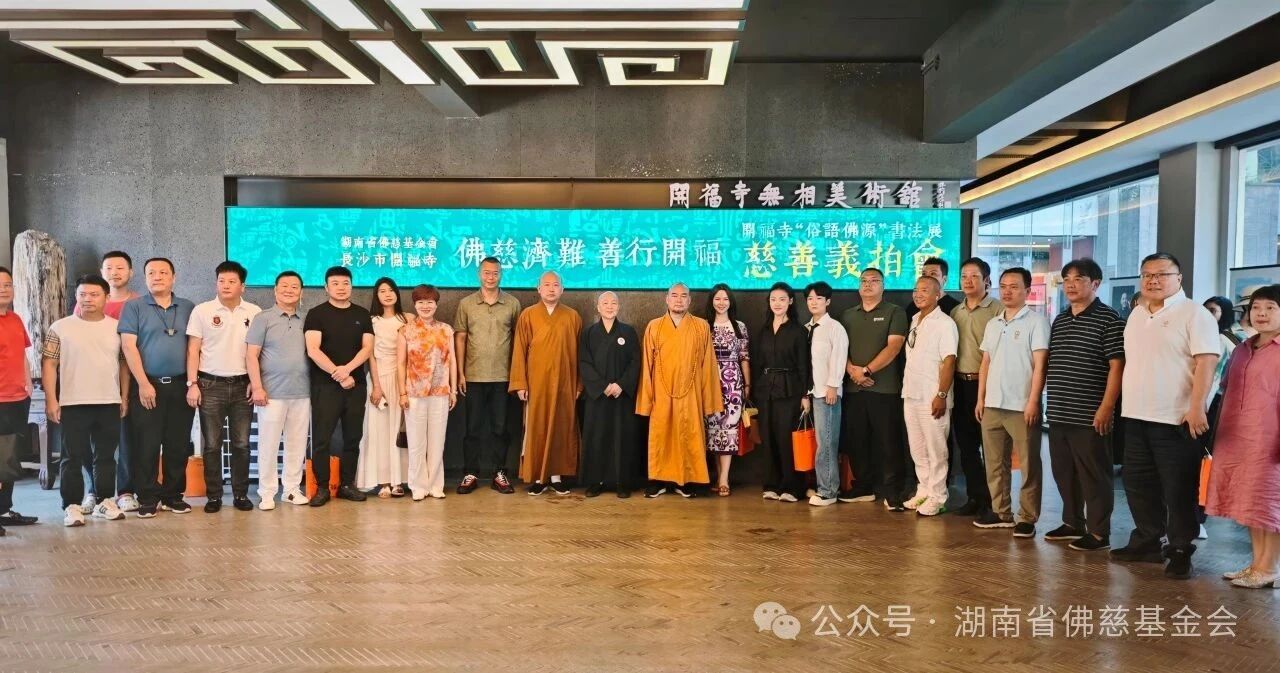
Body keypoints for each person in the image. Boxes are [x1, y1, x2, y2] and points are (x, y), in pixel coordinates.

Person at [1112, 252, 1219, 579]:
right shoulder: (1137, 314)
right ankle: (1147, 541)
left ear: (1179, 278)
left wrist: (1197, 406)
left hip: (1176, 419)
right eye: (1147, 274)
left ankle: (1180, 550)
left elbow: (1207, 362)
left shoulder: (1194, 314)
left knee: (1178, 489)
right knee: (1137, 484)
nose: (1153, 280)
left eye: (1161, 274)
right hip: (1136, 415)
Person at [1043, 259, 1125, 552]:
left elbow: (1117, 366)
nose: (1071, 285)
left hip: (1091, 413)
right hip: (1059, 410)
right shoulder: (1061, 319)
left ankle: (1099, 533)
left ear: (1096, 284)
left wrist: (1106, 408)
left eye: (1078, 279)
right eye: (1066, 279)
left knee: (1094, 475)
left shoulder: (1110, 319)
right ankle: (1072, 522)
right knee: (1064, 473)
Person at [1205, 285, 1280, 589]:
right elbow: (1226, 389)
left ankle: (1269, 568)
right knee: (1249, 503)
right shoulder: (1242, 348)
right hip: (1237, 438)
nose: (1261, 314)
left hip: (1269, 441)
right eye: (1256, 308)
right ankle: (1257, 564)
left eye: (1270, 308)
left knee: (1269, 505)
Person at [44, 275, 130, 526]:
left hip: (108, 400)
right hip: (73, 402)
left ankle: (105, 501)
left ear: (106, 297)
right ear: (76, 296)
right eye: (82, 294)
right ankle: (71, 505)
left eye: (94, 294)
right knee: (71, 457)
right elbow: (49, 364)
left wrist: (124, 397)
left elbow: (124, 365)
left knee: (106, 456)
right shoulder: (60, 327)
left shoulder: (117, 327)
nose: (87, 299)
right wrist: (51, 400)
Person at [973, 267, 1049, 537]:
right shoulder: (994, 323)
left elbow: (1040, 365)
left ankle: (1027, 517)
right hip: (992, 403)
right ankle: (1001, 512)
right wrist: (980, 398)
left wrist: (1034, 401)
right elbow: (985, 363)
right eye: (1003, 286)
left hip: (1022, 405)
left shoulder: (1036, 322)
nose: (1007, 291)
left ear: (1027, 291)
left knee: (1029, 465)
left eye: (1014, 287)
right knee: (994, 463)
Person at [118, 258, 197, 518]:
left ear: (174, 277)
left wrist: (192, 383)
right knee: (146, 444)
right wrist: (143, 383)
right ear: (144, 278)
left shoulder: (187, 307)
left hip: (180, 385)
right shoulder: (134, 307)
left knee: (178, 444)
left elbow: (195, 347)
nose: (157, 276)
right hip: (147, 385)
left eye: (163, 272)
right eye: (151, 273)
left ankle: (173, 496)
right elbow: (128, 346)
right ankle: (148, 497)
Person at [186, 261, 261, 513]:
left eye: (232, 281)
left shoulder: (254, 312)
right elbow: (193, 350)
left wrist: (255, 382)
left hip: (243, 386)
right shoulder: (202, 311)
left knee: (241, 444)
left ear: (243, 286)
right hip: (210, 384)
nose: (226, 285)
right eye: (221, 281)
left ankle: (240, 494)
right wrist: (192, 383)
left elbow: (258, 352)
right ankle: (214, 496)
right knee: (212, 445)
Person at [637, 282, 723, 498]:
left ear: (689, 301)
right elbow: (646, 366)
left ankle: (686, 481)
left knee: (688, 435)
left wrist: (709, 400)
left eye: (683, 296)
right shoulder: (654, 326)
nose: (678, 300)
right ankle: (659, 481)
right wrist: (646, 401)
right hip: (661, 393)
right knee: (661, 436)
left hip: (690, 394)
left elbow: (708, 365)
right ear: (667, 299)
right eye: (674, 295)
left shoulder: (701, 326)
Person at [74, 251, 140, 513]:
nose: (115, 272)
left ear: (130, 272)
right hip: (91, 384)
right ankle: (93, 491)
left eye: (120, 267)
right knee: (91, 443)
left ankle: (125, 491)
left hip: (128, 380)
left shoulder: (139, 303)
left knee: (126, 439)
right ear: (102, 272)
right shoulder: (85, 303)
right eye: (109, 268)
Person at [838, 267, 909, 510]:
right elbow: (840, 348)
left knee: (888, 442)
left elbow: (894, 347)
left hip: (884, 390)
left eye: (874, 281)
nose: (868, 285)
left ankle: (893, 491)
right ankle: (863, 487)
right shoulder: (848, 315)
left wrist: (866, 371)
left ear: (883, 286)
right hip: (853, 389)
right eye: (863, 281)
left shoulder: (895, 312)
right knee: (857, 441)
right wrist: (852, 371)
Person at [304, 266, 374, 507]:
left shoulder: (362, 314)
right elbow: (313, 350)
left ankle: (347, 485)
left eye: (345, 283)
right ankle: (322, 487)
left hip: (356, 385)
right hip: (325, 386)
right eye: (335, 283)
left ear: (351, 286)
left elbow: (367, 348)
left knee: (353, 437)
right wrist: (339, 374)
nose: (341, 288)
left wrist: (348, 370)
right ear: (326, 287)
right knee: (321, 439)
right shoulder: (316, 314)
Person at [454, 257, 521, 495]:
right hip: (473, 376)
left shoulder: (512, 303)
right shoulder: (466, 304)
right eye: (486, 273)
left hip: (503, 377)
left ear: (501, 274)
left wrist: (517, 375)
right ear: (479, 274)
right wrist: (460, 373)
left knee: (500, 428)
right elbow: (460, 338)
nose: (491, 277)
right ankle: (470, 473)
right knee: (472, 428)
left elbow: (519, 340)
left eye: (495, 273)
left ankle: (499, 474)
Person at [510, 271, 581, 495]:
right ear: (538, 289)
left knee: (561, 426)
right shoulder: (528, 315)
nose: (551, 289)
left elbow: (580, 355)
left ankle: (557, 476)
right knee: (537, 427)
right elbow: (519, 351)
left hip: (564, 382)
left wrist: (579, 384)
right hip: (536, 383)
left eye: (555, 285)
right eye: (547, 285)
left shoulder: (573, 317)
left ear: (562, 289)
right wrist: (520, 383)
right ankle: (539, 477)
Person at [246, 271, 311, 509]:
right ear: (275, 290)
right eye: (284, 286)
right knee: (268, 444)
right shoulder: (263, 318)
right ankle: (267, 493)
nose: (289, 290)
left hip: (302, 392)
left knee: (296, 444)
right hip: (271, 393)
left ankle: (291, 490)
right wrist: (257, 387)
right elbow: (251, 355)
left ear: (301, 292)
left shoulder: (307, 320)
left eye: (294, 287)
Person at [947, 257, 1000, 517]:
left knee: (990, 448)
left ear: (986, 280)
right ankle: (974, 497)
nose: (968, 281)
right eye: (964, 276)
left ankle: (994, 503)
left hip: (986, 385)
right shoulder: (955, 312)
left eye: (974, 276)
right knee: (967, 447)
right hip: (960, 384)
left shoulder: (998, 310)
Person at [902, 276, 958, 517]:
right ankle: (923, 490)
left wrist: (941, 394)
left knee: (936, 450)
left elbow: (949, 361)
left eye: (925, 290)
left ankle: (938, 496)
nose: (918, 294)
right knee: (918, 449)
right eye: (916, 289)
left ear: (938, 294)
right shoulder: (915, 319)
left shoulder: (945, 323)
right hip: (911, 393)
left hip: (933, 396)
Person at [578, 291, 643, 498]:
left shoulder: (628, 332)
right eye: (605, 303)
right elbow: (584, 363)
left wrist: (621, 385)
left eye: (613, 303)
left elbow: (635, 362)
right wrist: (602, 386)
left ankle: (623, 482)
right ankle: (595, 481)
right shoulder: (588, 333)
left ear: (619, 307)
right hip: (597, 397)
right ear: (598, 308)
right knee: (597, 437)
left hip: (622, 397)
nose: (609, 306)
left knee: (623, 438)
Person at [751, 282, 811, 503]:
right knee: (768, 438)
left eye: (782, 299)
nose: (777, 303)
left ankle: (792, 487)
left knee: (787, 439)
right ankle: (771, 485)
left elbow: (804, 365)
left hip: (790, 390)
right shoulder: (763, 331)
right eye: (773, 299)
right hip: (765, 390)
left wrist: (805, 395)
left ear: (791, 302)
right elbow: (757, 364)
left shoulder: (798, 331)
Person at [398, 284, 457, 501]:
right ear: (415, 304)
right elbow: (401, 363)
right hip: (414, 393)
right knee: (416, 442)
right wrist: (402, 393)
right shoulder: (405, 330)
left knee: (437, 441)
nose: (425, 306)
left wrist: (453, 390)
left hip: (440, 391)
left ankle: (435, 485)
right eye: (421, 302)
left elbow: (452, 361)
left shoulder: (446, 329)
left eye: (430, 302)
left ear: (436, 304)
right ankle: (418, 486)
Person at [356, 277, 409, 498]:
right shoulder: (371, 321)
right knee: (378, 430)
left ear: (397, 293)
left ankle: (400, 480)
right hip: (379, 378)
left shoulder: (408, 319)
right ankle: (384, 481)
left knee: (400, 428)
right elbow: (370, 356)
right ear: (376, 296)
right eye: (382, 291)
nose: (387, 294)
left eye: (390, 290)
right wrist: (376, 386)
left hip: (403, 380)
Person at [804, 281, 849, 507]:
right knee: (818, 443)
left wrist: (833, 385)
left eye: (819, 298)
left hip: (827, 392)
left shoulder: (834, 328)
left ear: (828, 301)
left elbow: (839, 358)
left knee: (827, 443)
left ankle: (829, 491)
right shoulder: (806, 328)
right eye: (810, 298)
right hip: (812, 392)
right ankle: (821, 486)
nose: (814, 302)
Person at [0, 266, 38, 534]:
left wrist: (27, 385)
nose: (4, 289)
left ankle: (4, 509)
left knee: (9, 458)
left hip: (17, 398)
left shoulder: (15, 319)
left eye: (8, 284)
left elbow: (23, 354)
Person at [703, 283, 750, 497]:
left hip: (732, 385)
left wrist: (747, 385)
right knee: (713, 430)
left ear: (731, 302)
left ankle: (724, 478)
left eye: (725, 299)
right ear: (711, 301)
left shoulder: (739, 326)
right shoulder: (704, 325)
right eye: (717, 299)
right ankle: (719, 476)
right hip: (709, 382)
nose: (721, 303)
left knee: (729, 429)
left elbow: (744, 357)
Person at [904, 257, 960, 321]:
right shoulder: (914, 306)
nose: (927, 278)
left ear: (944, 279)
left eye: (933, 274)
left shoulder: (955, 309)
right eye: (924, 274)